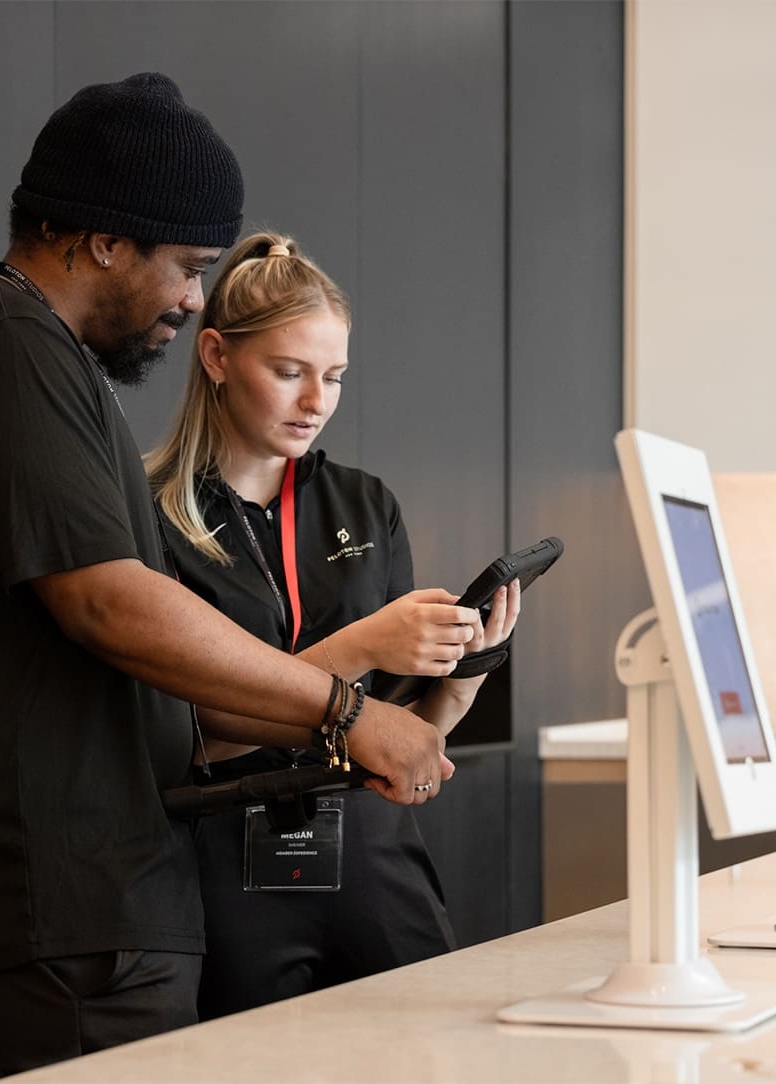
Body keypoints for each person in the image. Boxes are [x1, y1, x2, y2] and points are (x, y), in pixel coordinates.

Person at [0, 74, 455, 1083]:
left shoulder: (52, 364)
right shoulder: (1, 337)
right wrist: (343, 708)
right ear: (103, 239)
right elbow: (109, 600)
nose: (194, 298)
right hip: (62, 915)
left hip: (114, 912)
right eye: (185, 266)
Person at [144, 231, 521, 1018]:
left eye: (335, 377)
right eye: (289, 373)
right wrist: (366, 643)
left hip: (372, 854)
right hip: (223, 861)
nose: (316, 401)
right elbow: (187, 738)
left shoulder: (365, 504)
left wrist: (464, 673)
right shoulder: (150, 515)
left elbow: (410, 735)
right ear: (215, 356)